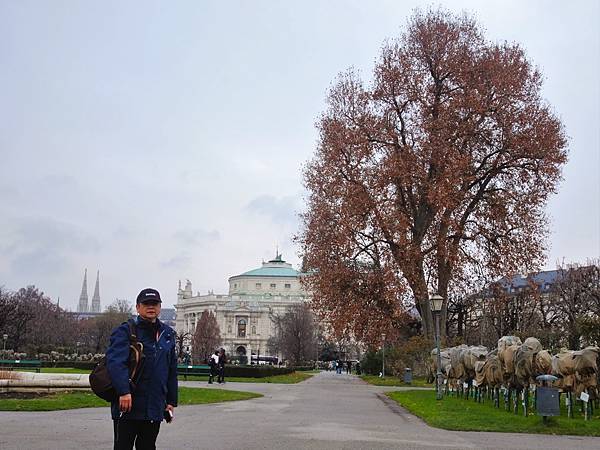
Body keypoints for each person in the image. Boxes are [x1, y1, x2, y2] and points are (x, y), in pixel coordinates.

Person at [106, 287, 178, 450]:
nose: (151, 307)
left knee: (148, 446)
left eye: (155, 303)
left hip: (154, 404)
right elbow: (116, 363)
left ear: (160, 307)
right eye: (146, 304)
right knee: (123, 446)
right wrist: (124, 391)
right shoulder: (125, 331)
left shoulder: (167, 334)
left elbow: (171, 369)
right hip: (128, 402)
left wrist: (171, 401)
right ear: (138, 307)